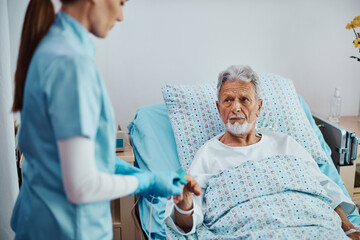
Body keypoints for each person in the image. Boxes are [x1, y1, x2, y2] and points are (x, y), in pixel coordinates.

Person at [10, 0, 184, 239]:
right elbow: (82, 186)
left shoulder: (53, 49)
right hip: (67, 229)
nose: (121, 16)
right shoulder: (72, 64)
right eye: (121, 3)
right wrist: (145, 183)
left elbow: (69, 157)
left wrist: (140, 174)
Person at [165, 65, 360, 239]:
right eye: (228, 100)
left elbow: (324, 190)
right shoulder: (207, 155)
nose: (235, 108)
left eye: (244, 99)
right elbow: (186, 224)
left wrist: (349, 228)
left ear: (258, 106)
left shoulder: (286, 143)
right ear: (218, 108)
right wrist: (184, 202)